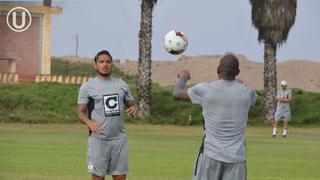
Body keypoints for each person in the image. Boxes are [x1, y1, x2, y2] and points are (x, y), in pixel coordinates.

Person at [172, 54, 257, 180]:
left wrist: (184, 78)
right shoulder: (247, 92)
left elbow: (177, 93)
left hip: (210, 155)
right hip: (237, 158)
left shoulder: (206, 90)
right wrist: (241, 85)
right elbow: (259, 99)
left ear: (218, 70)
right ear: (237, 72)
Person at [77, 50, 139, 180]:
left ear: (112, 64)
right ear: (95, 65)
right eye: (101, 62)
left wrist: (134, 108)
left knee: (120, 177)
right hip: (98, 140)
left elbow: (132, 105)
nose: (105, 64)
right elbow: (80, 112)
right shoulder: (87, 87)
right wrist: (89, 122)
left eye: (108, 62)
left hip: (119, 139)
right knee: (98, 177)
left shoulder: (122, 85)